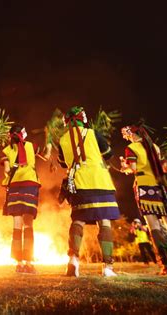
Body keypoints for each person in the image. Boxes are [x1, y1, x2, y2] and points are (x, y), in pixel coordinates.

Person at [120, 124, 167, 275]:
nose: (126, 137)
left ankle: (166, 265)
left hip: (145, 186)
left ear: (131, 134)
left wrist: (124, 168)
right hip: (161, 186)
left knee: (154, 225)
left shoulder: (131, 148)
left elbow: (133, 168)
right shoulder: (154, 146)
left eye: (126, 135)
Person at [58, 106, 120, 277]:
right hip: (100, 181)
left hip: (79, 183)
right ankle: (107, 267)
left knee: (78, 220)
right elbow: (108, 153)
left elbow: (63, 163)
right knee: (104, 221)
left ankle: (73, 261)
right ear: (82, 118)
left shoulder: (62, 140)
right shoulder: (93, 134)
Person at [0, 124, 41, 274]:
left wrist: (11, 170)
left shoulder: (7, 150)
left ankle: (19, 263)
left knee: (17, 225)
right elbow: (46, 155)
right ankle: (29, 263)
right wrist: (49, 145)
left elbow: (6, 170)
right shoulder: (31, 146)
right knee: (28, 224)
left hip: (15, 186)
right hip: (30, 185)